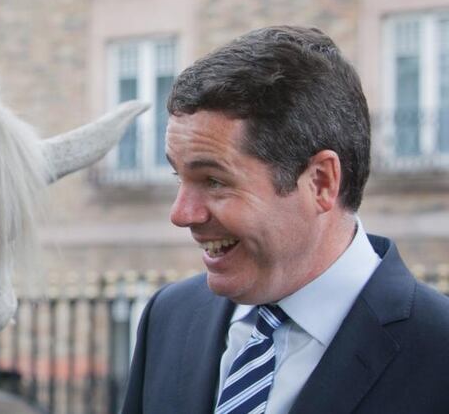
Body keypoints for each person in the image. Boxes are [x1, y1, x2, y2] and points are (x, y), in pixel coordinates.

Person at [121, 26, 449, 414]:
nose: (181, 214)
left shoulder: (437, 350)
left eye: (214, 181)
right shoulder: (169, 318)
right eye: (180, 176)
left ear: (321, 182)